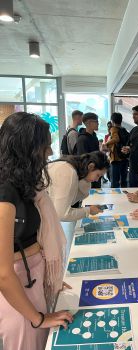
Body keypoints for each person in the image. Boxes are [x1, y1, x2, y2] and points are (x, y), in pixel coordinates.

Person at [0, 112, 73, 350]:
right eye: (45, 147)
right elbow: (3, 273)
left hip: (32, 278)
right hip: (18, 290)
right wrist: (39, 318)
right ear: (26, 149)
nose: (49, 154)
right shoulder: (5, 194)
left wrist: (49, 280)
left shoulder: (23, 184)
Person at [47, 151, 109, 222]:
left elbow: (69, 203)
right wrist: (89, 210)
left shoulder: (72, 169)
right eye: (98, 175)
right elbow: (62, 214)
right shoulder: (68, 172)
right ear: (90, 166)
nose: (97, 180)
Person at [104, 112, 129, 188]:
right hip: (124, 158)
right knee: (124, 180)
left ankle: (115, 199)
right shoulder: (124, 130)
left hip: (116, 159)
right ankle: (124, 197)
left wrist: (106, 144)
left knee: (114, 181)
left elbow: (116, 139)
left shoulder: (113, 129)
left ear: (112, 121)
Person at [77, 112, 101, 188]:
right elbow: (83, 159)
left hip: (96, 172)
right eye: (96, 121)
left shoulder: (94, 136)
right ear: (88, 123)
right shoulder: (82, 139)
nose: (98, 123)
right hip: (89, 175)